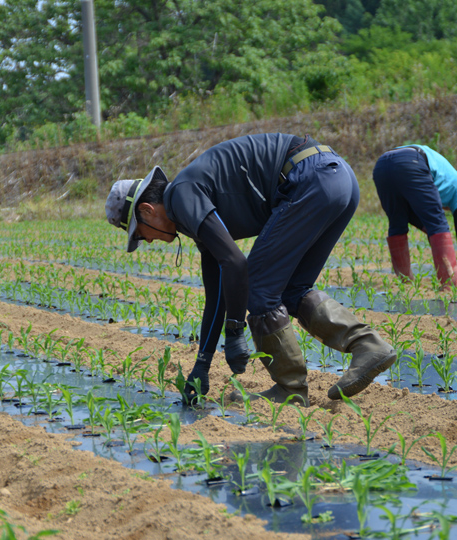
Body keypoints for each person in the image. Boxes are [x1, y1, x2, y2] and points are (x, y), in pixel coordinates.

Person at [105, 133, 396, 406]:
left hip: (310, 180)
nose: (148, 241)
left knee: (258, 287)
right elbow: (217, 290)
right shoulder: (192, 207)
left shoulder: (181, 195)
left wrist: (235, 331)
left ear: (147, 210)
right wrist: (202, 364)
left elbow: (237, 264)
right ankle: (368, 346)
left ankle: (290, 389)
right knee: (291, 291)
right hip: (337, 178)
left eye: (140, 234)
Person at [372, 145, 457, 289]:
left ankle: (405, 282)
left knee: (397, 222)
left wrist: (425, 227)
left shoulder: (442, 182)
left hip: (382, 165)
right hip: (412, 161)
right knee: (438, 223)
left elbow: (408, 212)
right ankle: (450, 283)